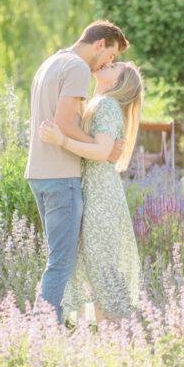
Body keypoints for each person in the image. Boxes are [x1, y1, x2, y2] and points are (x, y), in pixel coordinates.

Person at [25, 21, 128, 322]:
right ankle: (41, 331)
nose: (109, 62)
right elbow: (64, 124)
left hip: (39, 173)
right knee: (61, 263)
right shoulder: (78, 68)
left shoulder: (50, 63)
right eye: (110, 55)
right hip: (60, 176)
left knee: (58, 261)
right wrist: (103, 148)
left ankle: (48, 328)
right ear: (100, 44)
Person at [39, 60, 144, 324]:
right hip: (93, 191)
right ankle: (109, 343)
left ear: (119, 82)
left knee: (103, 271)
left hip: (100, 196)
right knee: (97, 270)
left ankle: (119, 341)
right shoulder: (97, 103)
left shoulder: (107, 105)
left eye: (116, 65)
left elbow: (100, 151)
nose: (109, 63)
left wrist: (61, 140)